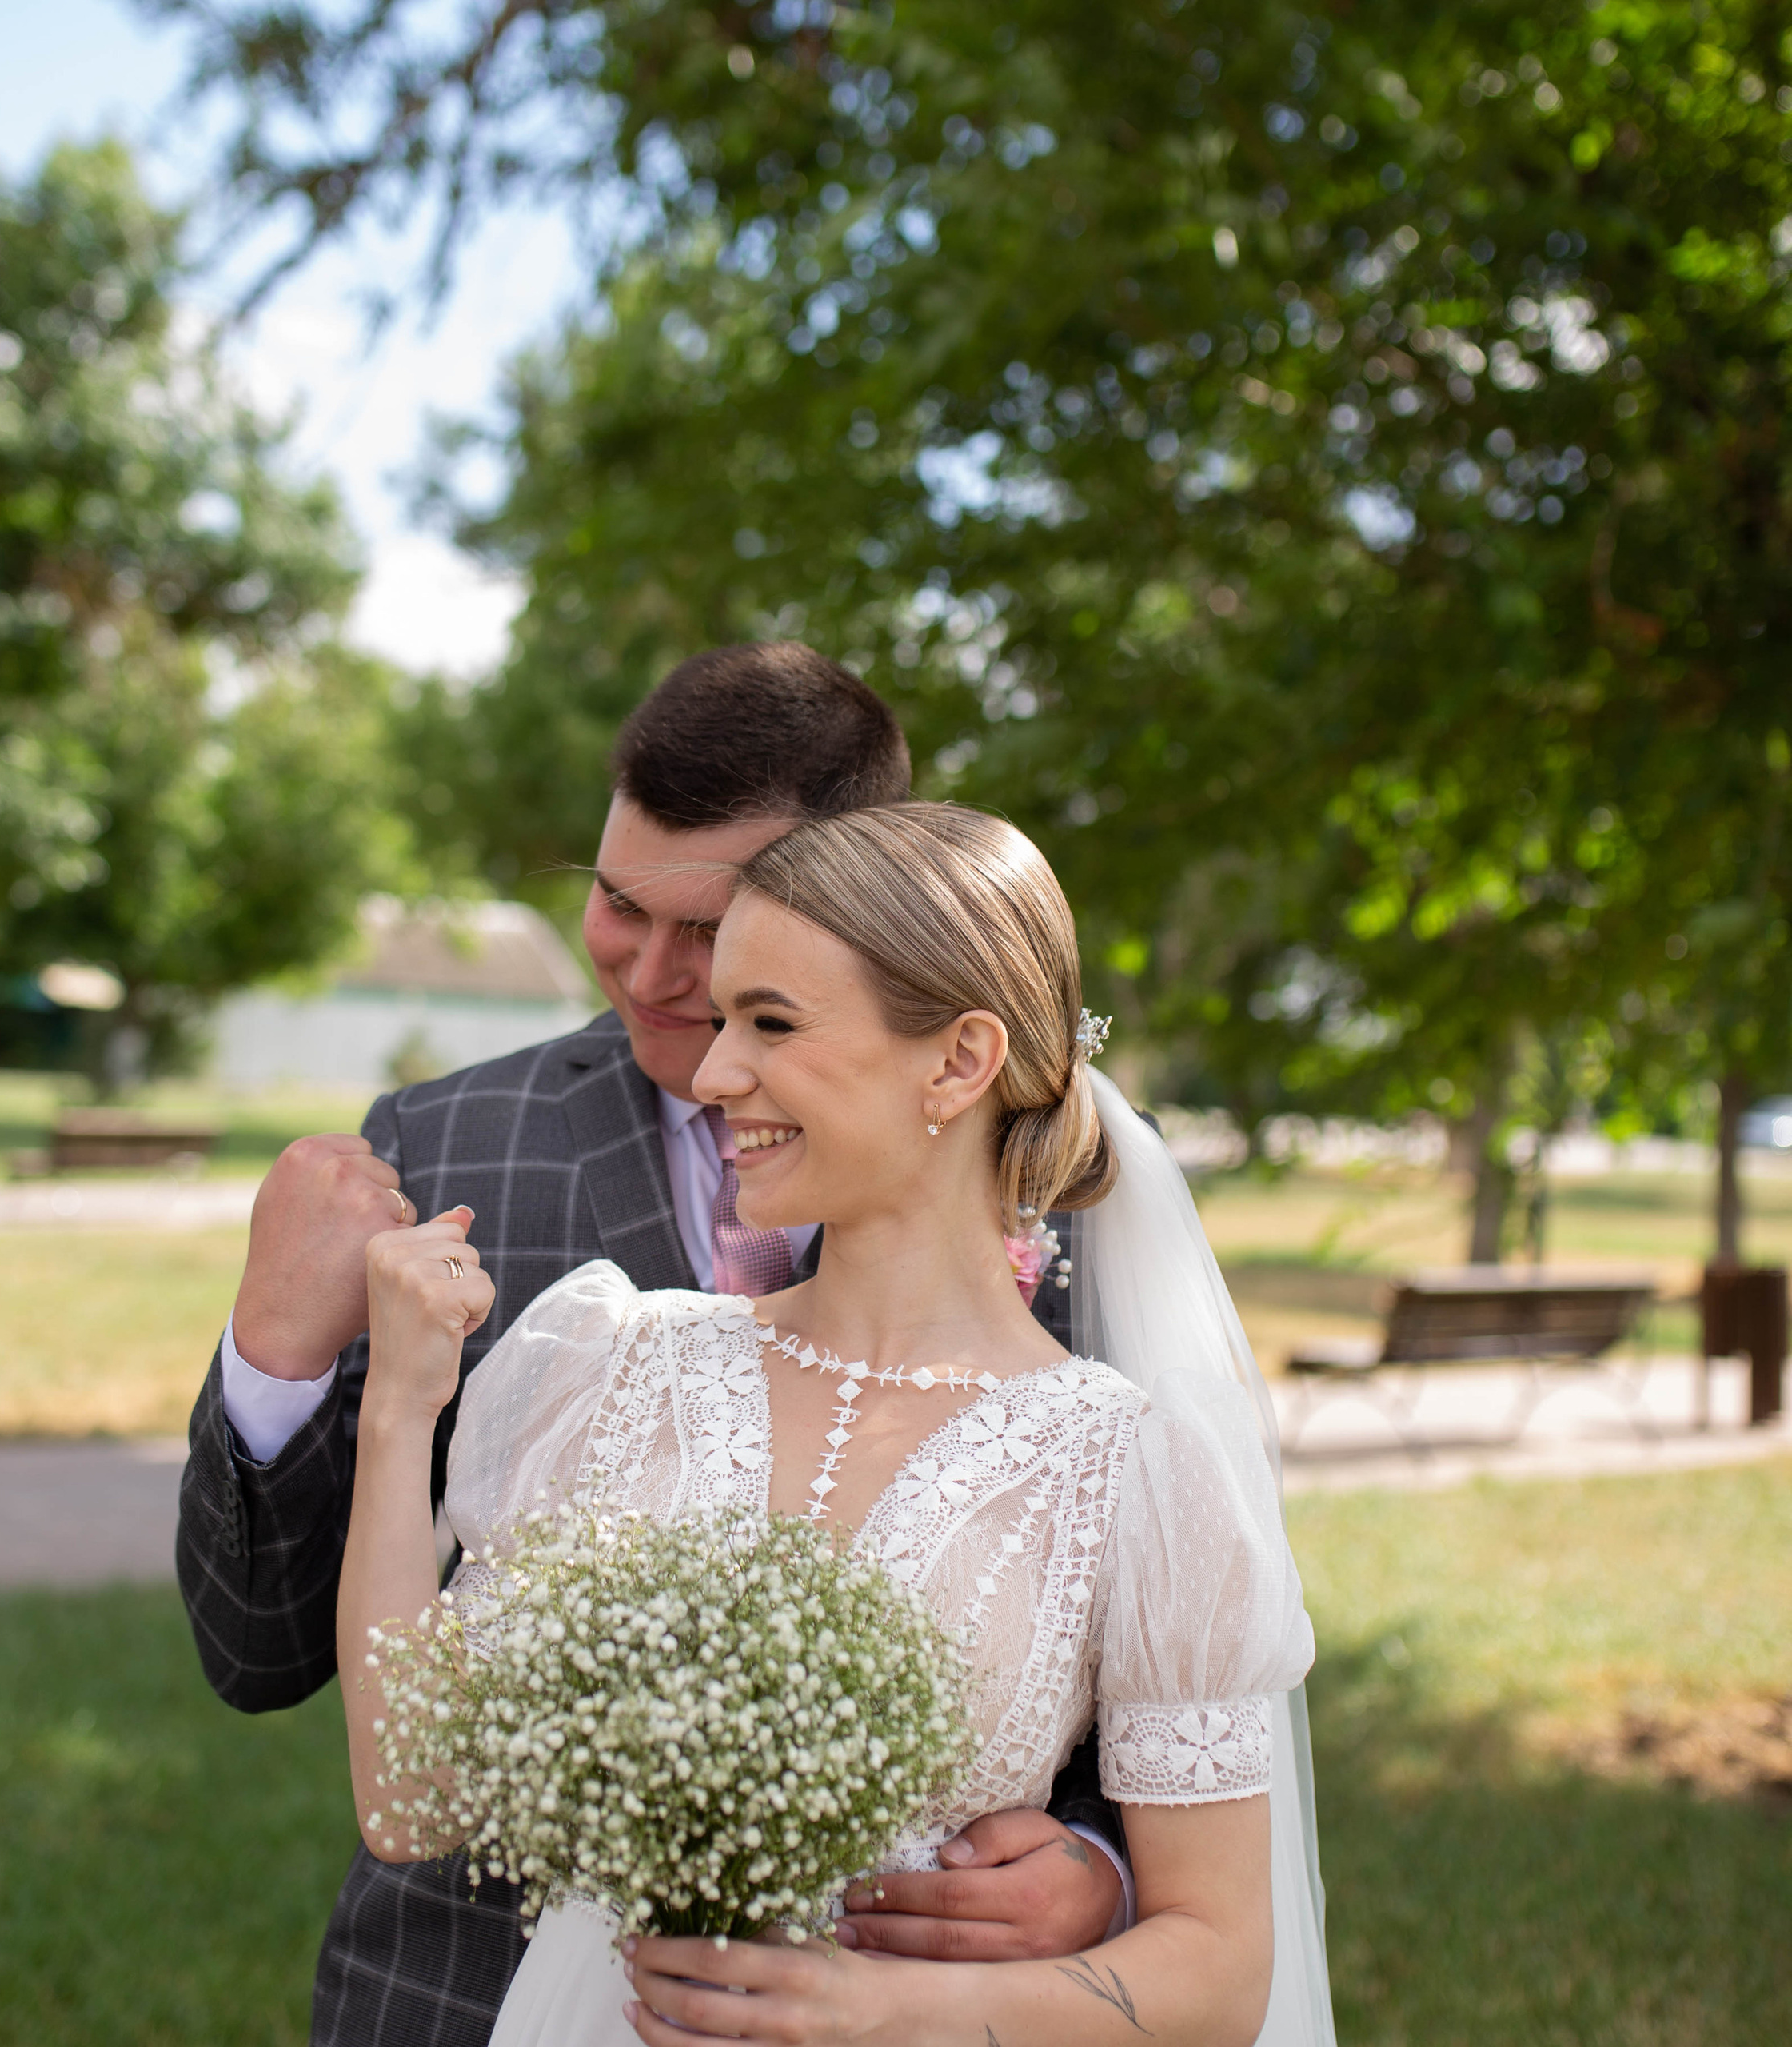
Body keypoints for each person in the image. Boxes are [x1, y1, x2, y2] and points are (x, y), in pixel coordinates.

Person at [176, 646, 1131, 2047]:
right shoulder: (443, 1145)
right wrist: (274, 1348)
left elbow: (1135, 1618)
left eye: (721, 932)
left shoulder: (1067, 1181)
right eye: (619, 906)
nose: (659, 973)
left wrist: (1096, 1867)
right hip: (468, 2000)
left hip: (908, 1997)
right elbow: (256, 1655)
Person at [341, 802, 1334, 2047]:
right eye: (721, 1024)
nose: (712, 1075)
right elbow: (415, 1803)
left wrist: (886, 2009)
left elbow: (1223, 1970)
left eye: (771, 1023)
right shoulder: (615, 1369)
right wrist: (401, 1409)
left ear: (960, 1061)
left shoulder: (1136, 1474)